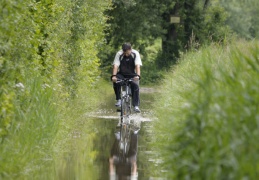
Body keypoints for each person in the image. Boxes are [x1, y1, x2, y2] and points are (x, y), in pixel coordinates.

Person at [111, 43, 142, 113]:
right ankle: (119, 99)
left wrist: (138, 75)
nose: (126, 55)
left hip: (132, 74)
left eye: (127, 53)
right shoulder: (119, 54)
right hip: (122, 74)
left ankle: (136, 106)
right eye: (124, 53)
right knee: (116, 81)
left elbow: (137, 66)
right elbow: (116, 66)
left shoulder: (135, 54)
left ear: (130, 50)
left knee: (135, 86)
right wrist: (114, 76)